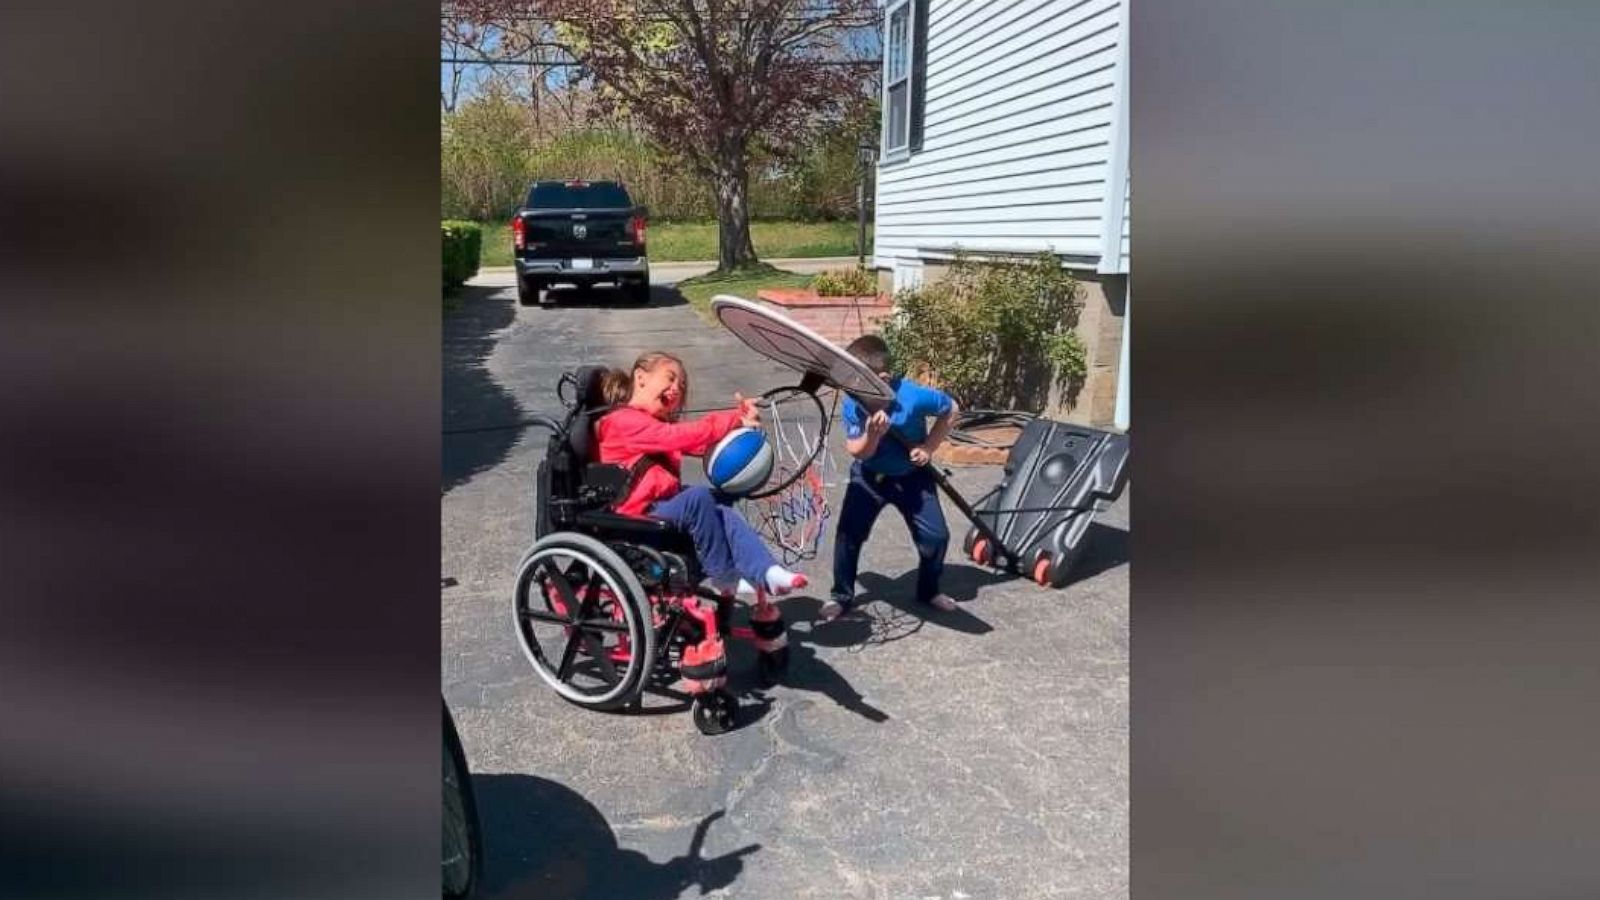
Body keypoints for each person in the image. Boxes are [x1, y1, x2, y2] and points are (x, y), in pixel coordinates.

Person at [594, 351, 807, 596]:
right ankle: (724, 576)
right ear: (641, 377)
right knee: (697, 498)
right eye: (670, 378)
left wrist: (743, 430)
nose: (676, 388)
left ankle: (768, 571)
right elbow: (683, 436)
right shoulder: (622, 421)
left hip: (657, 508)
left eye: (681, 385)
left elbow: (703, 445)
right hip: (633, 517)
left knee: (720, 503)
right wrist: (732, 419)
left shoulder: (654, 425)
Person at [820, 335, 960, 622]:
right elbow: (857, 451)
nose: (853, 386)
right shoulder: (854, 402)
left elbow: (952, 409)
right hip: (869, 476)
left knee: (936, 537)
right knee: (849, 534)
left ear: (883, 378)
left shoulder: (914, 396)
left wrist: (929, 447)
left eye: (859, 379)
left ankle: (928, 591)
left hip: (912, 478)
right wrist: (872, 435)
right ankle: (841, 596)